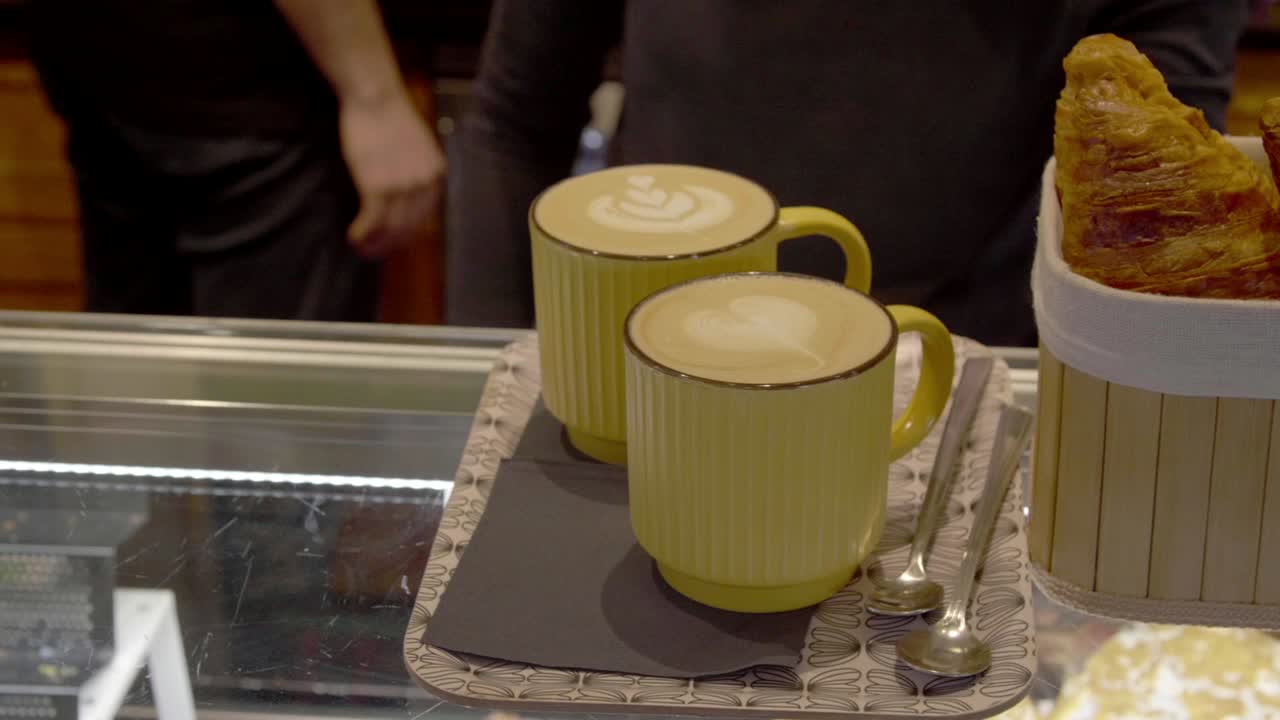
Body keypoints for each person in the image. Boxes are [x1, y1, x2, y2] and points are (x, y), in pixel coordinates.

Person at [446, 1, 1251, 345]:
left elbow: (1160, 214)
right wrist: (484, 392)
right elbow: (515, 126)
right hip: (652, 372)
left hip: (974, 385)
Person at [29, 0, 445, 320]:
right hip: (115, 116)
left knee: (267, 410)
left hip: (249, 124)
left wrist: (373, 96)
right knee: (134, 403)